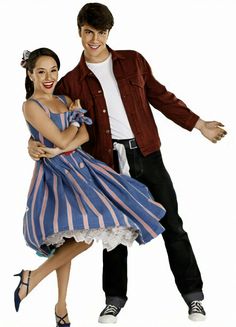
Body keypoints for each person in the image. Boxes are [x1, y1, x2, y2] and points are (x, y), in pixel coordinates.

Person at [28, 3, 227, 323]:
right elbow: (50, 118)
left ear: (109, 32)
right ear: (79, 31)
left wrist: (199, 124)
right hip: (105, 163)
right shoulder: (69, 82)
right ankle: (114, 299)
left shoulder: (132, 62)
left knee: (172, 224)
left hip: (147, 154)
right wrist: (32, 142)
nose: (95, 39)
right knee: (114, 233)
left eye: (101, 32)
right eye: (88, 32)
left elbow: (162, 97)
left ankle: (193, 297)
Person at [15, 47, 166, 326]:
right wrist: (65, 136)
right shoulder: (31, 105)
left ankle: (60, 306)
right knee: (79, 236)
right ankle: (33, 279)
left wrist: (63, 145)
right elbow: (62, 138)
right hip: (57, 177)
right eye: (41, 72)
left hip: (82, 168)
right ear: (29, 74)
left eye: (53, 71)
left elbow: (83, 134)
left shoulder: (64, 97)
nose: (48, 77)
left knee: (76, 236)